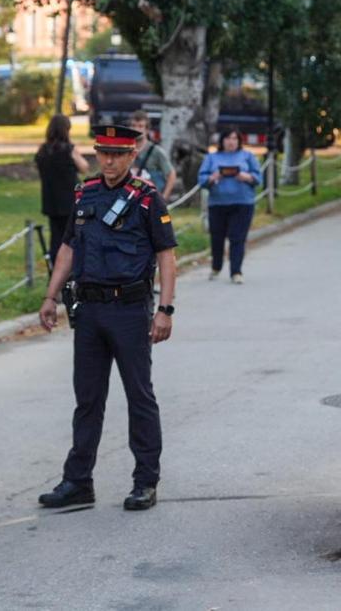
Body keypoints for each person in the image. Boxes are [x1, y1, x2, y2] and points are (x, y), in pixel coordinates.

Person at [37, 124, 177, 512]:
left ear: (133, 155)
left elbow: (166, 255)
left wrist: (165, 309)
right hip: (90, 311)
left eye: (118, 153)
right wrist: (50, 296)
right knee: (87, 399)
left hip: (130, 310)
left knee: (139, 396)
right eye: (104, 152)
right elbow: (67, 247)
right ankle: (79, 481)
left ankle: (145, 481)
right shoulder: (84, 194)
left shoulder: (147, 200)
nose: (110, 160)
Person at [197, 127, 261, 283]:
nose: (231, 142)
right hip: (217, 203)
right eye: (228, 138)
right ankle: (216, 266)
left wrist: (246, 177)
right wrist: (213, 178)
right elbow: (201, 179)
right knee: (217, 237)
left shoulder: (247, 156)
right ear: (222, 140)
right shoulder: (212, 157)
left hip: (242, 202)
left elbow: (258, 178)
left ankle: (236, 271)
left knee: (237, 237)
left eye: (234, 138)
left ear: (239, 141)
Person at [35, 114, 90, 259]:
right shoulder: (69, 150)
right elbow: (84, 167)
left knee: (56, 238)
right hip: (70, 201)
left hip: (51, 201)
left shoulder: (42, 151)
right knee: (72, 237)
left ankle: (55, 267)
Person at [129, 109, 177, 200]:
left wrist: (163, 198)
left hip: (151, 200)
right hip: (131, 200)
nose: (136, 129)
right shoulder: (125, 151)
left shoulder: (156, 151)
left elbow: (171, 174)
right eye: (134, 126)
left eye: (140, 126)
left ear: (147, 129)